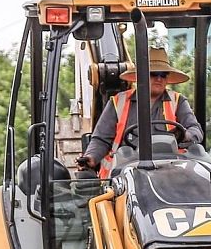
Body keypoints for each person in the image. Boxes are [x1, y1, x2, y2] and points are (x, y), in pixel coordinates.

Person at [76, 47, 203, 177]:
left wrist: (184, 135)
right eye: (153, 74)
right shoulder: (118, 102)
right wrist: (91, 157)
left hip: (170, 174)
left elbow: (196, 131)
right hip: (125, 173)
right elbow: (101, 139)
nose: (159, 78)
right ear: (139, 76)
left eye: (163, 74)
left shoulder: (178, 101)